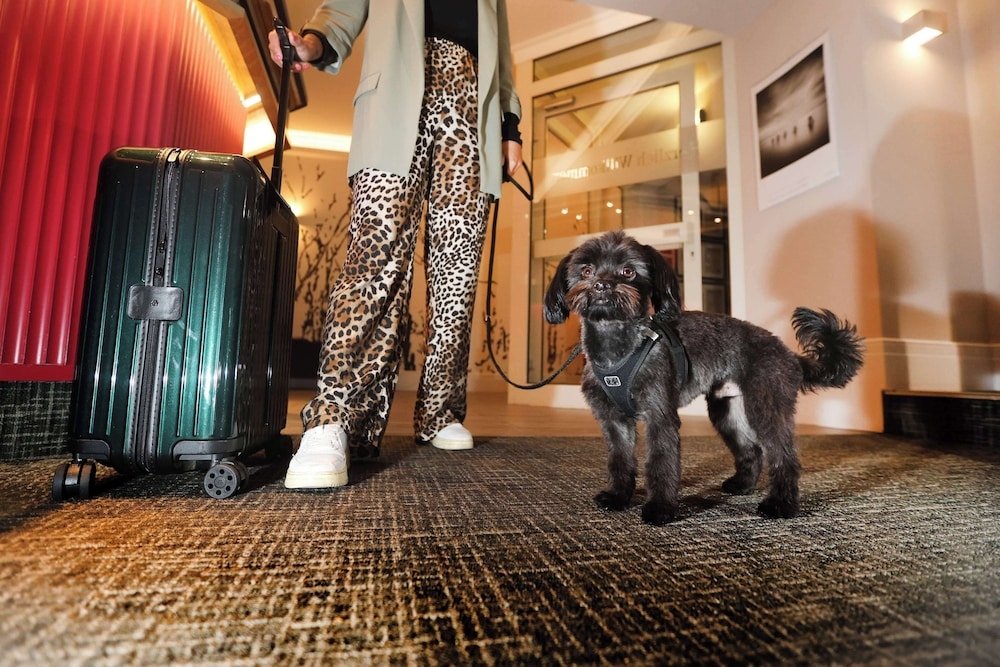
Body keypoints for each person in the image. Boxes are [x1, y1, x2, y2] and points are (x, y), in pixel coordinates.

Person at [268, 0, 523, 489]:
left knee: (458, 271)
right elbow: (340, 12)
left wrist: (509, 128)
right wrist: (312, 43)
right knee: (375, 260)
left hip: (472, 108)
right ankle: (337, 417)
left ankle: (440, 410)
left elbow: (503, 57)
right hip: (395, 97)